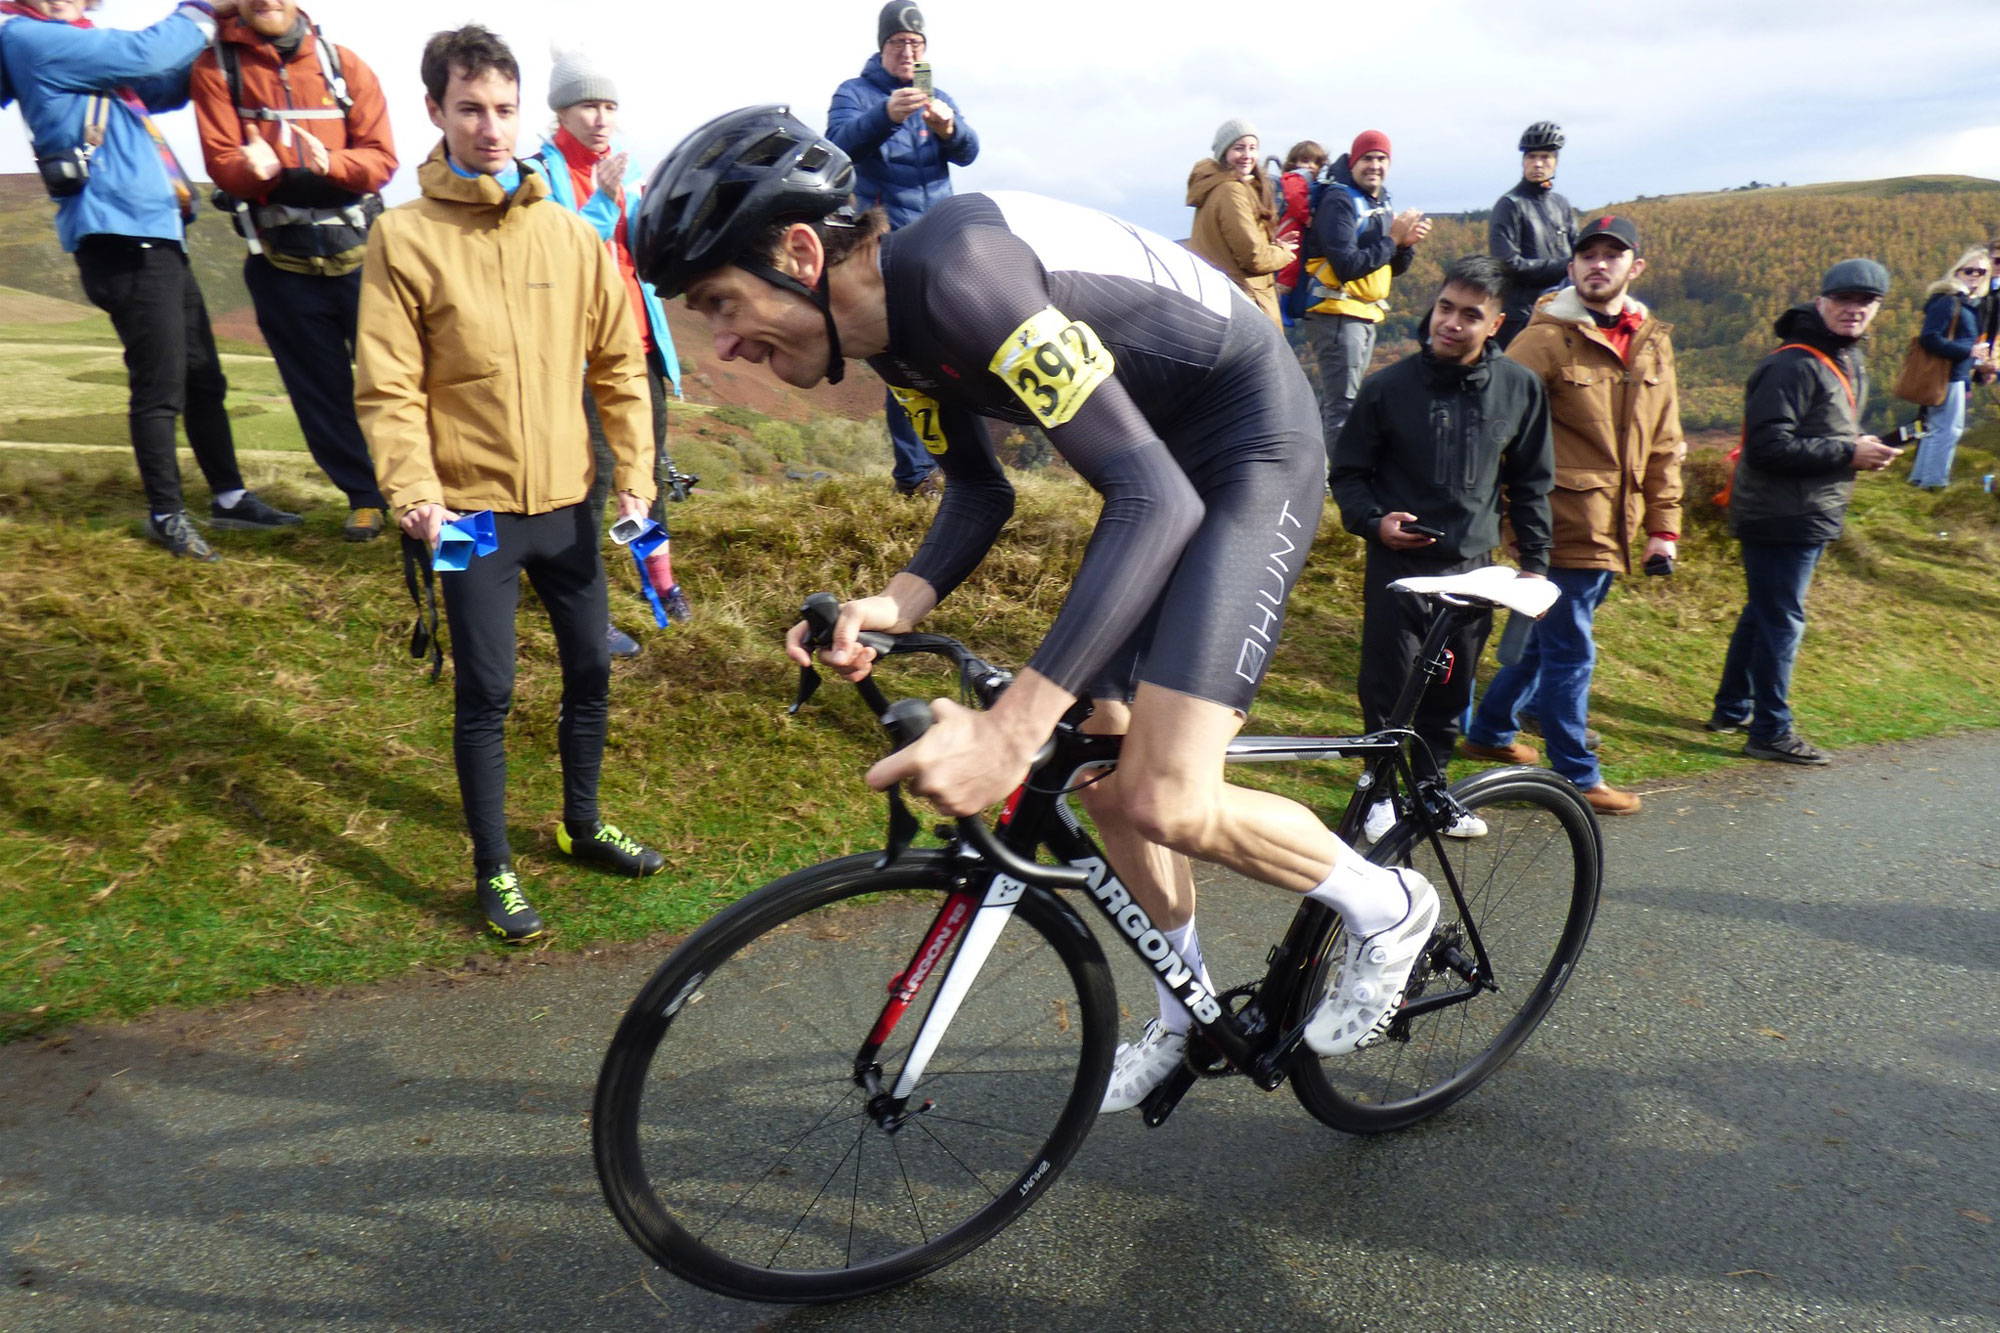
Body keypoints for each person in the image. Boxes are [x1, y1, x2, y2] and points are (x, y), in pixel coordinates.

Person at [634, 105, 1444, 1113]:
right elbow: (980, 492)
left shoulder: (958, 281)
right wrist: (886, 604)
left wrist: (1012, 730)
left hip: (1249, 451)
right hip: (1161, 467)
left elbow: (1155, 499)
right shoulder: (892, 339)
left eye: (719, 301)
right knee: (1103, 780)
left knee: (1165, 794)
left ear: (801, 252)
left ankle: (1388, 904)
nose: (720, 344)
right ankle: (1183, 1006)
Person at [355, 24, 666, 942]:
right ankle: (493, 868)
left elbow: (618, 365)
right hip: (469, 514)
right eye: (469, 109)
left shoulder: (572, 237)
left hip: (569, 505)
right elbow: (388, 385)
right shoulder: (402, 239)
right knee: (486, 693)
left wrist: (636, 482)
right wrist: (413, 490)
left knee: (589, 671)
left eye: (503, 109)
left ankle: (578, 827)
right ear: (436, 113)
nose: (490, 129)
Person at [0, 0, 300, 561]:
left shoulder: (78, 51)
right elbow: (145, 53)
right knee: (160, 388)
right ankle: (166, 515)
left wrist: (219, 42)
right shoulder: (28, 38)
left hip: (156, 235)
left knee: (202, 378)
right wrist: (206, 9)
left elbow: (162, 81)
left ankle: (229, 498)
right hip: (121, 239)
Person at [1328, 255, 1554, 841]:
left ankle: (1432, 794)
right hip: (1399, 565)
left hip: (1473, 569)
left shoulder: (1520, 389)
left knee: (1450, 691)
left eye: (1470, 315)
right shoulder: (1385, 389)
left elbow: (1531, 482)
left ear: (1496, 323)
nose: (1451, 323)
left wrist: (1535, 565)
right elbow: (1347, 474)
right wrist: (1375, 523)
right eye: (1446, 308)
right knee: (1392, 683)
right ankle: (1380, 796)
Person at [1462, 216, 1680, 816]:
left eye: (1613, 255)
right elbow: (1494, 429)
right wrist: (1505, 518)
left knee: (1544, 644)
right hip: (1558, 525)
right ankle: (1577, 774)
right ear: (1571, 265)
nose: (1598, 264)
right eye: (1588, 254)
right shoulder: (1545, 337)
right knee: (1570, 651)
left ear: (1634, 267)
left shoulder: (1652, 341)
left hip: (1619, 528)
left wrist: (1664, 526)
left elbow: (1665, 442)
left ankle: (1488, 732)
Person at [191, 0, 396, 542]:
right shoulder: (217, 69)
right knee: (318, 391)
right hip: (280, 262)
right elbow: (220, 159)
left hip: (362, 257)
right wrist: (247, 170)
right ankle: (364, 497)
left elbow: (382, 158)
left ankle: (423, 493)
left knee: (397, 380)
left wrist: (330, 165)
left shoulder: (343, 65)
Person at [524, 44, 691, 658]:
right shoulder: (538, 174)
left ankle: (661, 585)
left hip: (641, 347)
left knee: (648, 473)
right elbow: (553, 254)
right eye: (589, 105)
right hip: (582, 356)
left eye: (610, 105)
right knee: (590, 485)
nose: (601, 117)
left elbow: (649, 250)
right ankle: (584, 610)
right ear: (562, 111)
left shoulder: (630, 166)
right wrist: (603, 200)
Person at [1708, 259, 1907, 765]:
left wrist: (1862, 448)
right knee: (1782, 621)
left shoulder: (1841, 357)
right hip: (1782, 513)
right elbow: (1769, 447)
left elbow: (1819, 434)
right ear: (1821, 301)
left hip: (1803, 509)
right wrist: (1848, 454)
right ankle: (1771, 731)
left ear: (1877, 309)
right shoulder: (1794, 364)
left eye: (1866, 302)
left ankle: (1733, 709)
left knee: (1764, 614)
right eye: (1844, 299)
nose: (1854, 309)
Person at [826, 0, 978, 498]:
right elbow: (837, 148)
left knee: (954, 347)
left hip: (940, 240)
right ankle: (913, 475)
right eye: (898, 44)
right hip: (886, 246)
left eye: (916, 44)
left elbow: (970, 152)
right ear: (882, 47)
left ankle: (962, 467)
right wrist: (884, 116)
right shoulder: (855, 93)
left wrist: (949, 128)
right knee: (904, 356)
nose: (908, 52)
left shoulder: (939, 94)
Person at [1300, 130, 1430, 468]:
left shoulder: (1380, 200)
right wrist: (1392, 239)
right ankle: (1343, 483)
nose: (1374, 166)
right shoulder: (1338, 201)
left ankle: (1343, 476)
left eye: (1381, 159)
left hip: (1365, 313)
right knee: (1341, 405)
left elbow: (1392, 268)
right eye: (1367, 159)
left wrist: (1405, 245)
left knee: (1351, 401)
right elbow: (1346, 265)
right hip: (1336, 310)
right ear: (1353, 161)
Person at [1184, 118, 1295, 326]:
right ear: (1224, 153)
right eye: (1239, 148)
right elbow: (1253, 258)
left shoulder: (1216, 187)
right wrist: (1284, 253)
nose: (1247, 155)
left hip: (1225, 300)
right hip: (1245, 304)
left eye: (1253, 148)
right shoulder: (1231, 191)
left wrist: (1273, 245)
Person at [1906, 246, 1992, 490]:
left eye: (1981, 272)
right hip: (1947, 375)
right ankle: (1934, 482)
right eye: (1970, 270)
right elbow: (1929, 338)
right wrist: (1968, 352)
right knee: (1948, 430)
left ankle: (1920, 479)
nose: (1975, 276)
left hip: (1955, 374)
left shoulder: (1963, 303)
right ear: (1957, 271)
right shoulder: (1948, 301)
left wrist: (1974, 362)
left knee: (1936, 429)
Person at [1487, 120, 1575, 351]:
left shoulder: (1561, 205)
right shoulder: (1509, 205)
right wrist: (1566, 266)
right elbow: (1507, 265)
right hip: (1520, 316)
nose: (1537, 163)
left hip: (1562, 312)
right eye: (1531, 157)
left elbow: (1579, 252)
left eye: (1545, 157)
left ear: (1556, 161)